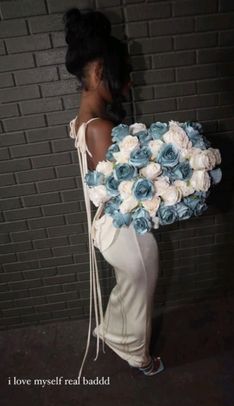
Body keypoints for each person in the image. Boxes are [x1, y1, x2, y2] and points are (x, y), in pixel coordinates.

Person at [63, 7, 165, 378]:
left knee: (128, 292)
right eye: (122, 73)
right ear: (98, 71)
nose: (130, 83)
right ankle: (141, 358)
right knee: (140, 298)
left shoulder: (82, 121)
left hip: (110, 228)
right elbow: (127, 195)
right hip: (127, 234)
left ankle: (112, 333)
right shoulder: (101, 127)